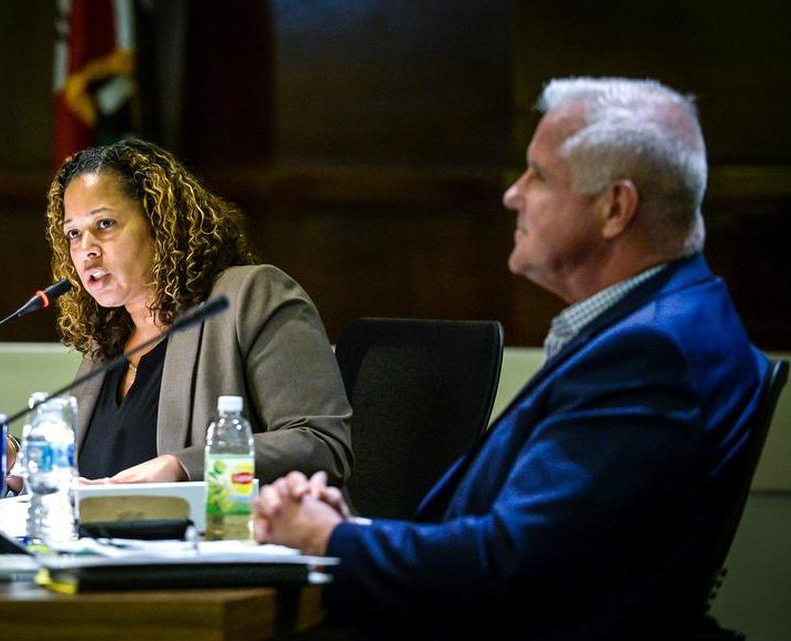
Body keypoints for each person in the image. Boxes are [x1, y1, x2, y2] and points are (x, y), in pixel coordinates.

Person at [253, 77, 770, 640]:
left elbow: (509, 571)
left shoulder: (650, 352)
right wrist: (354, 530)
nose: (512, 194)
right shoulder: (680, 315)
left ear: (615, 208)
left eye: (539, 175)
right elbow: (549, 542)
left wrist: (330, 539)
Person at [44, 139, 352, 485]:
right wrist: (19, 464)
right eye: (73, 233)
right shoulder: (106, 343)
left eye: (105, 224)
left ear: (159, 222)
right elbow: (82, 476)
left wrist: (184, 466)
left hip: (227, 520)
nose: (86, 249)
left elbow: (321, 445)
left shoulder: (250, 297)